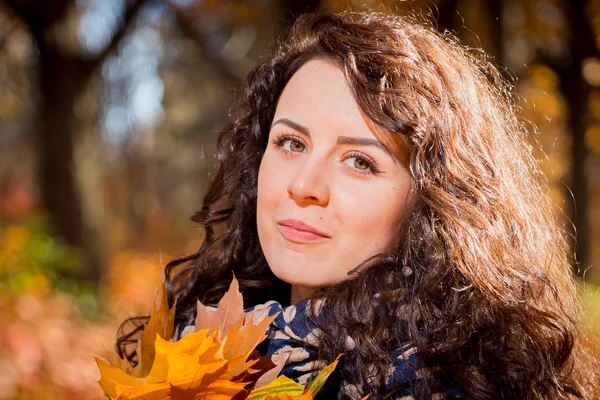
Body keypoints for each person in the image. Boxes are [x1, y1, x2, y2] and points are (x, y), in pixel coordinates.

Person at [117, 9, 600, 399]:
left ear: (433, 201)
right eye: (291, 143)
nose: (305, 185)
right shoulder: (192, 345)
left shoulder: (452, 384)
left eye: (360, 162)